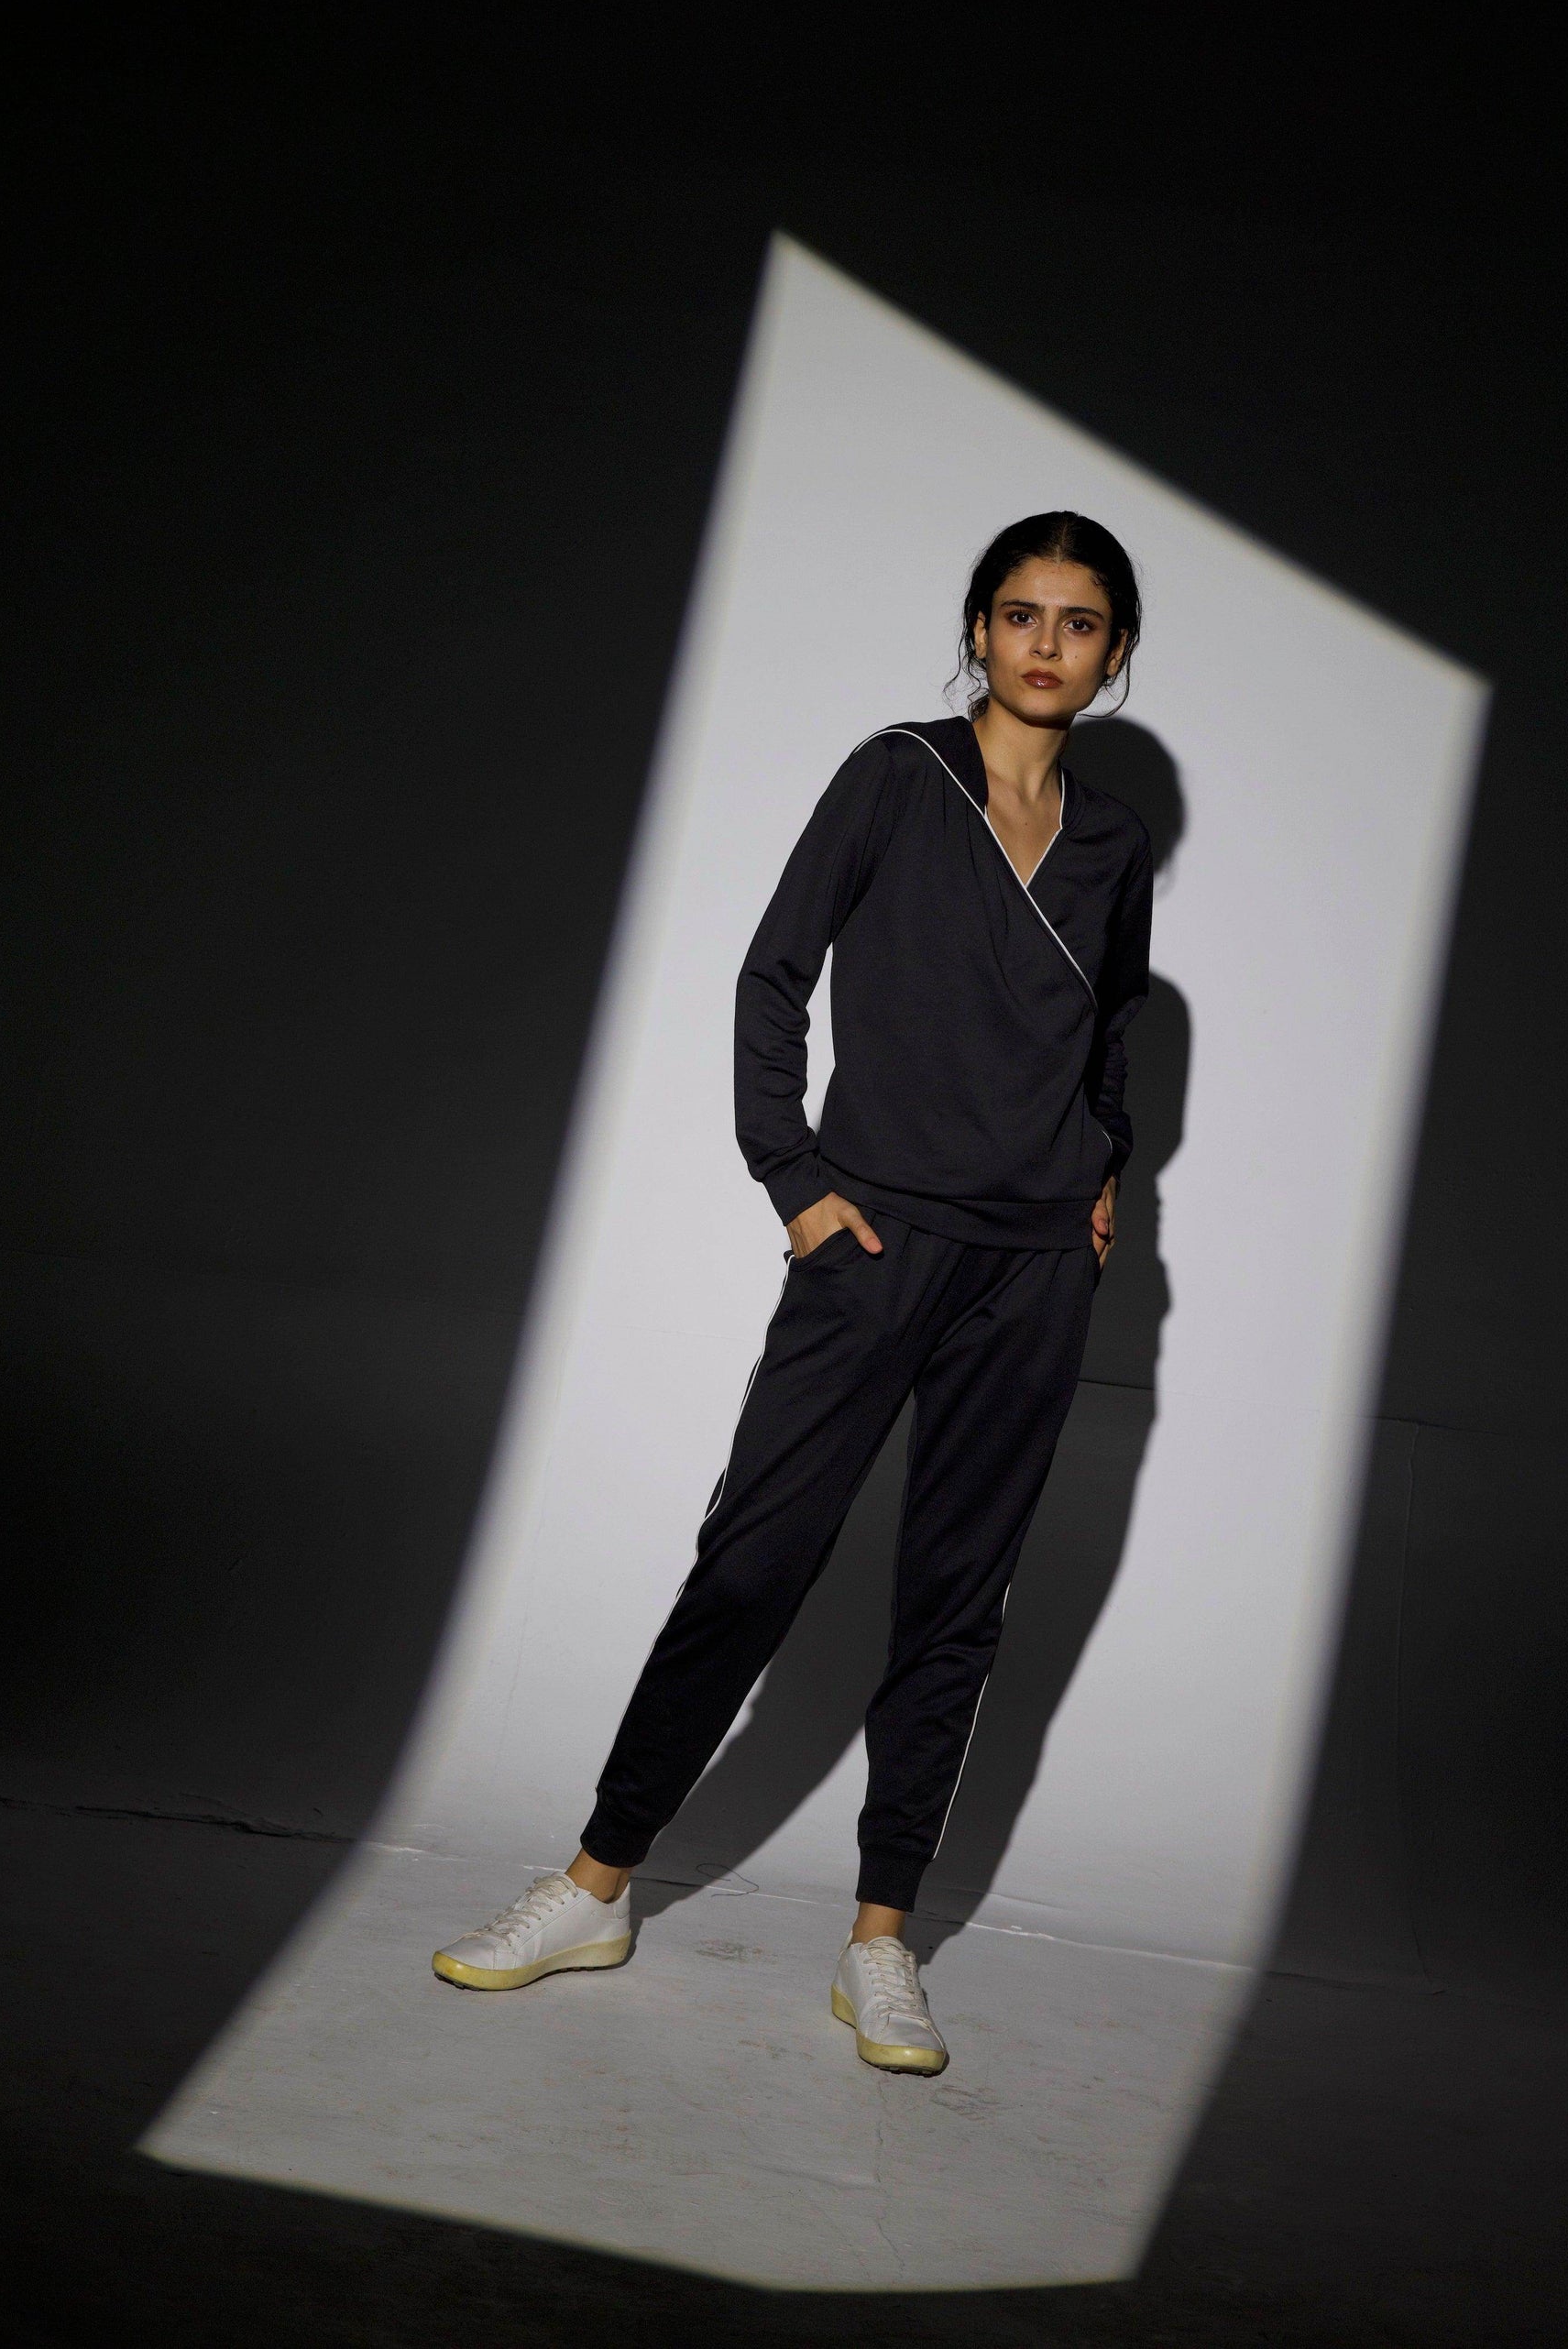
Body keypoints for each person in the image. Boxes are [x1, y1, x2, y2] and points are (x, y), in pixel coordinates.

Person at [433, 512, 1153, 2075]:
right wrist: (795, 1177)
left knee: (957, 1598)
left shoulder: (1109, 840)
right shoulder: (895, 776)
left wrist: (1103, 1169)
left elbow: (1109, 1031)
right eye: (1018, 613)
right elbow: (773, 972)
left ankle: (880, 1945)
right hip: (874, 1241)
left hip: (1032, 1268)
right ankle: (595, 1886)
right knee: (753, 1561)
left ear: (1114, 653)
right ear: (976, 630)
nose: (1044, 643)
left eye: (1078, 621)